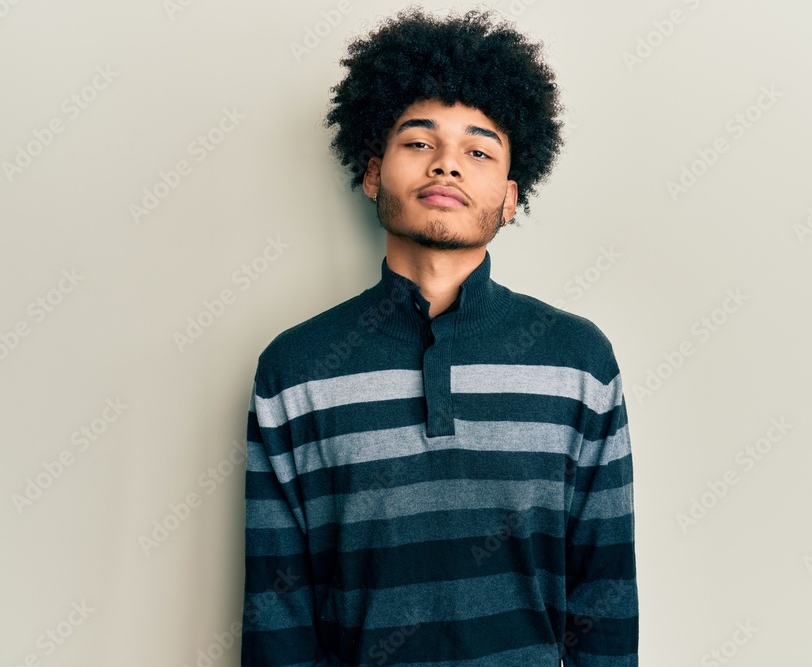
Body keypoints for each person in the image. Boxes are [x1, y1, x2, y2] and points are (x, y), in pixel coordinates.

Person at [241, 7, 638, 666]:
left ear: (511, 197)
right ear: (372, 174)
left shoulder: (579, 362)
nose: (447, 165)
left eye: (478, 150)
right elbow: (276, 613)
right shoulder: (294, 370)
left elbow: (607, 602)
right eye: (419, 143)